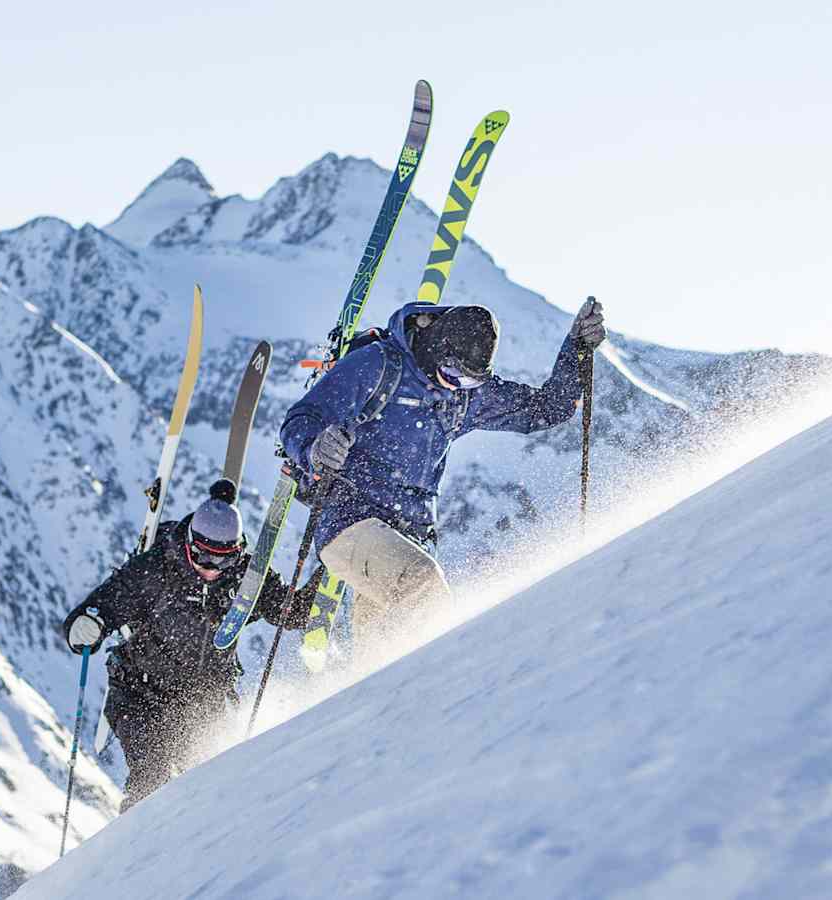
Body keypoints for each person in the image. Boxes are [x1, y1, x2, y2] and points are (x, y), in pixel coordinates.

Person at [280, 298, 606, 652]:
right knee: (424, 587)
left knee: (384, 656)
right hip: (350, 522)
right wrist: (314, 448)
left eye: (468, 380)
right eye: (452, 374)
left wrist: (577, 349)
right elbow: (302, 418)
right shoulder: (377, 366)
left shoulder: (465, 396)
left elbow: (548, 408)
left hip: (410, 537)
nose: (455, 385)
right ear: (437, 347)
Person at [61, 479, 311, 811]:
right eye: (204, 556)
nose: (211, 569)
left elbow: (289, 612)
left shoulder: (245, 579)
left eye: (223, 559)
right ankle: (135, 853)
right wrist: (87, 624)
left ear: (237, 552)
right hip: (140, 695)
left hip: (202, 703)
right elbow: (105, 604)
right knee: (152, 781)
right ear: (189, 543)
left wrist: (323, 580)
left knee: (205, 795)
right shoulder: (154, 570)